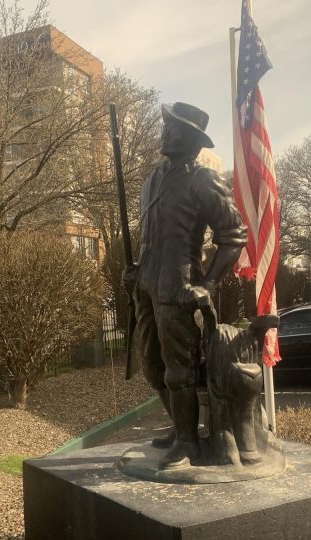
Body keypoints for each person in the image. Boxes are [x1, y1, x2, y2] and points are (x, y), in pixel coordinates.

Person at [124, 102, 247, 469]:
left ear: (192, 139)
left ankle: (189, 444)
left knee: (180, 370)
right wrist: (135, 270)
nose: (164, 132)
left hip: (178, 285)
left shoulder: (203, 180)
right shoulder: (150, 182)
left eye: (172, 127)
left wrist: (207, 283)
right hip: (146, 284)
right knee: (151, 365)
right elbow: (151, 238)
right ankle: (181, 429)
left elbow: (233, 235)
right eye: (165, 126)